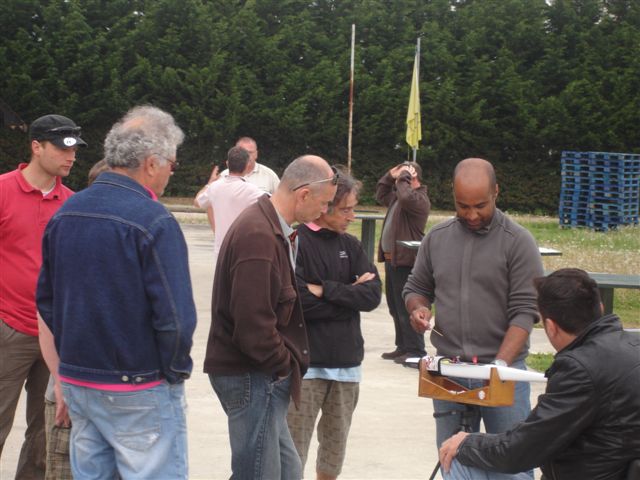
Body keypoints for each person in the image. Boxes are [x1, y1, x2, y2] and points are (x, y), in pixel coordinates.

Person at [36, 105, 197, 479]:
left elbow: (46, 298)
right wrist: (174, 371)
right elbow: (176, 319)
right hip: (138, 383)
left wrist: (72, 359)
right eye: (172, 165)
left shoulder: (67, 211)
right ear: (152, 164)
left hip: (79, 380)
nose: (170, 175)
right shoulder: (154, 220)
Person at [403, 158, 544, 469]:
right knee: (453, 463)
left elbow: (525, 312)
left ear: (496, 192)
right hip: (449, 371)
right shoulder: (437, 238)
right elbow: (415, 287)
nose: (471, 215)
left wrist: (500, 366)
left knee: (513, 465)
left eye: (480, 205)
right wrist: (418, 308)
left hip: (503, 372)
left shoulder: (518, 242)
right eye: (462, 205)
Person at [204, 155, 337, 480]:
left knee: (288, 472)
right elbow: (252, 326)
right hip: (252, 375)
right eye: (324, 203)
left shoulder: (270, 227)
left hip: (261, 373)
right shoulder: (258, 235)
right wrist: (283, 365)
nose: (325, 212)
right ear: (303, 194)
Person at [438, 268, 640, 480]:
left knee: (455, 458)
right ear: (600, 307)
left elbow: (521, 451)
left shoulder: (580, 369)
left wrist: (465, 442)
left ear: (550, 327)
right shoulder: (632, 346)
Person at [0, 113, 85, 479]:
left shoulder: (73, 202)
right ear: (36, 147)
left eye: (75, 149)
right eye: (62, 147)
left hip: (53, 335)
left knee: (42, 436)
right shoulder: (2, 191)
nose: (71, 156)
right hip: (8, 331)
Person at [286, 169, 382, 480]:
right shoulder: (296, 242)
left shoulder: (352, 246)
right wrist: (347, 295)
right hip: (307, 366)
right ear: (325, 205)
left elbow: (371, 296)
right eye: (347, 209)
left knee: (333, 452)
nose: (353, 216)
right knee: (292, 452)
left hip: (347, 365)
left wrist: (325, 289)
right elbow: (297, 301)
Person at [376, 161, 430, 364]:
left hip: (407, 261)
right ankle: (403, 347)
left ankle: (416, 351)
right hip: (393, 260)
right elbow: (380, 194)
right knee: (395, 307)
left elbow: (407, 196)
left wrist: (404, 176)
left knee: (407, 307)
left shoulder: (418, 199)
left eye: (405, 173)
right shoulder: (398, 198)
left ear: (413, 176)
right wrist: (390, 175)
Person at [194, 145, 265, 263]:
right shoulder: (252, 191)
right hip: (244, 250)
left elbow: (197, 202)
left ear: (227, 164)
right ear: (247, 165)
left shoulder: (214, 188)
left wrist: (209, 183)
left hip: (221, 250)